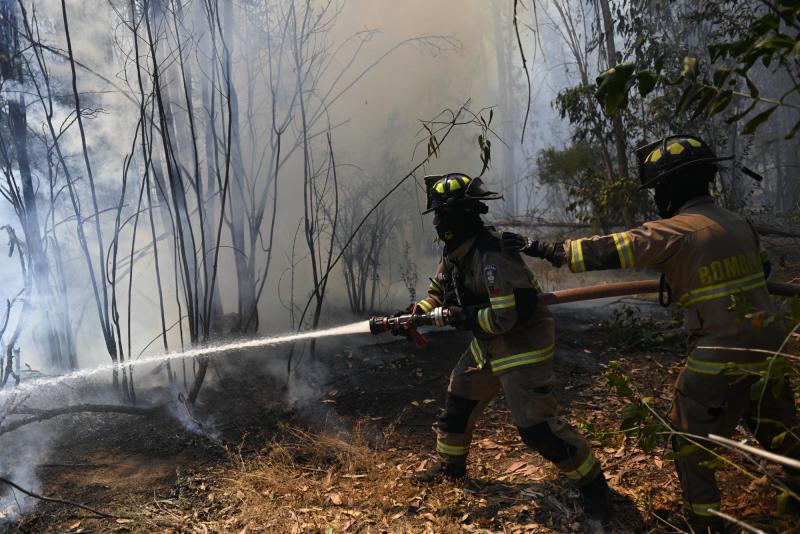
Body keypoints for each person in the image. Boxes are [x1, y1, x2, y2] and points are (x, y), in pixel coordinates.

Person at [503, 135, 800, 532]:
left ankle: (707, 523)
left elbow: (608, 250)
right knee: (782, 434)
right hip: (773, 349)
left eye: (659, 188)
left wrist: (539, 246)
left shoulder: (673, 232)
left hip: (717, 352)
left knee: (689, 440)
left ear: (671, 187)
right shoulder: (738, 222)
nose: (658, 196)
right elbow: (761, 273)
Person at [405, 172, 610, 516]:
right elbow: (439, 291)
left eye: (445, 213)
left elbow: (506, 318)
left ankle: (594, 488)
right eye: (437, 214)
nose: (439, 221)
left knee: (538, 430)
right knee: (457, 405)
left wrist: (461, 317)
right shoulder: (457, 251)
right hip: (487, 344)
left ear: (466, 214)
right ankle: (451, 467)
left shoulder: (492, 256)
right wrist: (416, 313)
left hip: (521, 345)